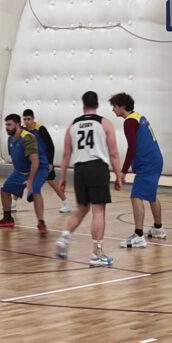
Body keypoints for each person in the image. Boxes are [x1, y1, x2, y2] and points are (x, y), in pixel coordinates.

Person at [55, 91, 124, 267]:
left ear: (83, 105)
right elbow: (114, 153)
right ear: (97, 105)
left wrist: (62, 177)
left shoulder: (73, 125)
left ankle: (64, 238)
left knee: (82, 208)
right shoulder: (104, 123)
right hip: (97, 167)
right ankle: (96, 254)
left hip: (79, 169)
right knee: (98, 211)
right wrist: (118, 175)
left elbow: (66, 153)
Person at [108, 93, 165, 248]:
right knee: (152, 195)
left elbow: (132, 148)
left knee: (136, 196)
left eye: (114, 106)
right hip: (156, 161)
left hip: (148, 163)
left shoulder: (129, 122)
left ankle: (139, 235)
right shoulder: (139, 117)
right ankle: (158, 228)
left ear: (122, 107)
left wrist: (123, 171)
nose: (113, 110)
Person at [0, 114, 48, 235]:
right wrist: (17, 183)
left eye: (9, 125)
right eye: (6, 125)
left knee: (35, 190)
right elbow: (17, 159)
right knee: (4, 190)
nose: (7, 127)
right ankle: (7, 219)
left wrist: (30, 180)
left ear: (17, 125)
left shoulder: (28, 138)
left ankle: (41, 222)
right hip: (21, 171)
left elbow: (35, 161)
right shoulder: (10, 139)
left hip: (38, 169)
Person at [23, 109, 72, 214]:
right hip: (31, 161)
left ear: (33, 119)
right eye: (25, 119)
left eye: (29, 119)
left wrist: (50, 162)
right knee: (22, 179)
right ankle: (13, 202)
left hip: (44, 161)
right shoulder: (23, 130)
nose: (26, 121)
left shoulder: (41, 129)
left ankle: (66, 203)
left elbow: (51, 146)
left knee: (51, 181)